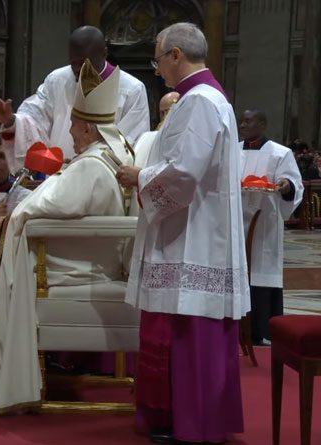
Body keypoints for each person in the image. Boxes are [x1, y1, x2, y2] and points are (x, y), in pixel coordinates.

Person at [0, 59, 132, 413]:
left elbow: (32, 211)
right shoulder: (113, 157)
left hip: (77, 267)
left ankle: (0, 372)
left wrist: (11, 219)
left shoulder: (90, 166)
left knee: (3, 258)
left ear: (86, 128)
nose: (67, 131)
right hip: (97, 257)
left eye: (71, 123)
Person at [117, 23, 249, 444]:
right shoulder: (211, 99)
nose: (157, 70)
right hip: (197, 232)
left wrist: (139, 177)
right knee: (189, 330)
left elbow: (184, 173)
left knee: (185, 329)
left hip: (191, 238)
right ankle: (190, 415)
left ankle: (185, 419)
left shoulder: (199, 102)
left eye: (157, 60)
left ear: (176, 55)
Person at [0, 25, 149, 171]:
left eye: (84, 63)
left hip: (103, 179)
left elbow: (131, 142)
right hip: (58, 176)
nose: (78, 69)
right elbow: (35, 120)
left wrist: (87, 160)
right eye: (74, 63)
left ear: (104, 54)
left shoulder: (131, 89)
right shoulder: (57, 80)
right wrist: (11, 121)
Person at [238, 109, 304, 344]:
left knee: (259, 269)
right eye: (242, 121)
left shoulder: (280, 153)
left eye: (248, 121)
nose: (243, 125)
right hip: (235, 224)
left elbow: (294, 183)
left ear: (263, 124)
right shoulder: (232, 151)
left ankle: (259, 329)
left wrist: (286, 186)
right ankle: (236, 329)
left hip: (263, 225)